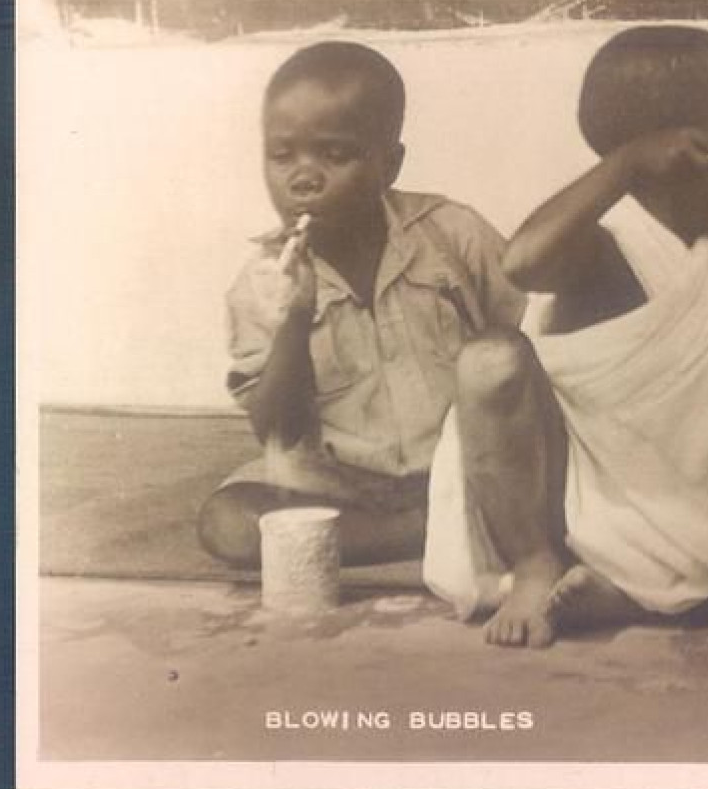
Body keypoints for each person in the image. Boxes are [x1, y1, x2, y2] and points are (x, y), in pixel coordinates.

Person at [422, 26, 708, 648]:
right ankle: (539, 566)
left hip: (694, 508)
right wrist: (624, 165)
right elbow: (523, 263)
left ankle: (626, 599)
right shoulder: (607, 248)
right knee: (491, 360)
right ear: (683, 150)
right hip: (585, 508)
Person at [199, 41, 526, 567]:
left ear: (389, 164)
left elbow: (529, 345)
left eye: (335, 154)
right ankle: (425, 532)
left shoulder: (453, 234)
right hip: (337, 486)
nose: (303, 177)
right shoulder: (260, 284)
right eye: (282, 155)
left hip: (465, 467)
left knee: (561, 474)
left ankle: (445, 521)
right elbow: (277, 432)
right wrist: (295, 321)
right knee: (228, 523)